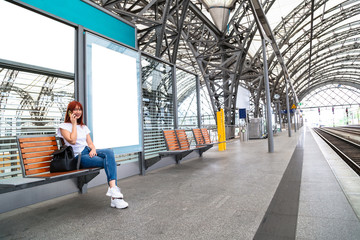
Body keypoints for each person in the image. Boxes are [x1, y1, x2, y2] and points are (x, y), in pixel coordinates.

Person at [57, 100, 128, 209]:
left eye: (80, 109)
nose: (78, 111)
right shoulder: (63, 126)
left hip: (87, 151)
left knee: (109, 152)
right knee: (109, 162)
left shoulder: (84, 127)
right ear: (70, 112)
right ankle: (115, 198)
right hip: (78, 157)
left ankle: (113, 190)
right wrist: (74, 124)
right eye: (75, 109)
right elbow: (72, 141)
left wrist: (93, 149)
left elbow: (90, 143)